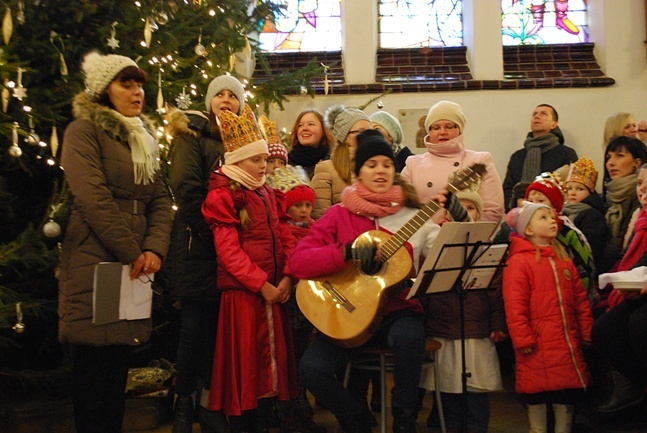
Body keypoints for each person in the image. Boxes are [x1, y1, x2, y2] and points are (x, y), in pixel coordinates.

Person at [289, 129, 463, 433]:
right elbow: (298, 261)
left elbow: (446, 257)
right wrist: (345, 252)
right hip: (347, 317)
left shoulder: (415, 216)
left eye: (386, 164)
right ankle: (356, 419)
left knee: (411, 337)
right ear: (359, 173)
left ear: (395, 171)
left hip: (397, 312)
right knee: (311, 369)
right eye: (371, 165)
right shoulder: (337, 215)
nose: (380, 170)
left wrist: (456, 220)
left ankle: (404, 415)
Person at [58, 51, 172, 433]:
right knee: (95, 362)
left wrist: (154, 249)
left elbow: (159, 199)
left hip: (136, 262)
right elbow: (92, 198)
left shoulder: (144, 138)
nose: (137, 91)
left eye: (139, 83)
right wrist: (133, 252)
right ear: (103, 90)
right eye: (127, 83)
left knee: (119, 359)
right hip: (98, 260)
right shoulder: (83, 131)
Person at [201, 105, 298, 433]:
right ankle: (244, 423)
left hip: (274, 290)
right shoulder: (224, 194)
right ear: (237, 160)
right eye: (256, 160)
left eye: (264, 160)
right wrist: (261, 284)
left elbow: (285, 238)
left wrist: (287, 274)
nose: (263, 166)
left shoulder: (269, 193)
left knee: (270, 366)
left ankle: (266, 419)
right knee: (246, 365)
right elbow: (228, 253)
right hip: (246, 295)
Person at [161, 74, 245, 433]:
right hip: (200, 247)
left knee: (222, 333)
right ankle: (184, 401)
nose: (226, 100)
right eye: (219, 95)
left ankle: (214, 403)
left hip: (233, 251)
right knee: (194, 329)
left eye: (233, 96)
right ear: (209, 101)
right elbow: (187, 189)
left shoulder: (244, 139)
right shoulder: (192, 135)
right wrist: (220, 235)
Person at [503, 202, 593, 433]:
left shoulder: (563, 258)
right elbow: (515, 305)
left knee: (565, 396)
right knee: (538, 396)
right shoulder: (519, 262)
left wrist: (586, 330)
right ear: (528, 229)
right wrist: (522, 338)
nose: (552, 221)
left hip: (565, 344)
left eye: (553, 217)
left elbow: (580, 301)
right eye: (543, 217)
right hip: (536, 345)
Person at [423, 189, 507, 433]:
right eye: (459, 208)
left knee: (476, 390)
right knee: (448, 387)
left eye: (470, 209)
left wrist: (498, 323)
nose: (464, 214)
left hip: (475, 330)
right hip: (444, 328)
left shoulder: (485, 249)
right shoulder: (436, 244)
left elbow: (495, 289)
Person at [266, 165, 324, 433]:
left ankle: (300, 402)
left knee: (302, 350)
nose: (303, 210)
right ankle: (290, 406)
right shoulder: (280, 230)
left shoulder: (315, 229)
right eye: (297, 205)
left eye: (307, 205)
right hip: (288, 300)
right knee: (287, 353)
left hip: (309, 301)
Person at [590, 163, 647, 412]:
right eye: (640, 183)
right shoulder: (641, 218)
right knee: (604, 330)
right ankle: (638, 388)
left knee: (639, 324)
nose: (643, 189)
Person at [401, 100, 504, 224]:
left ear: (459, 129)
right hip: (422, 239)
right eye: (436, 128)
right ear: (429, 132)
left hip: (465, 239)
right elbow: (402, 208)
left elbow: (493, 211)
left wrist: (474, 236)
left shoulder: (480, 161)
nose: (442, 132)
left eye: (449, 127)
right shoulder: (413, 164)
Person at [525, 173, 595, 298]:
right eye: (530, 201)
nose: (534, 206)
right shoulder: (524, 234)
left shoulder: (567, 232)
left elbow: (583, 270)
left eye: (541, 201)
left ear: (554, 207)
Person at [502, 104, 578, 211]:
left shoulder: (566, 154)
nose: (537, 116)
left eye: (544, 114)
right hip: (519, 213)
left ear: (554, 124)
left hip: (553, 214)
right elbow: (507, 189)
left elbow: (570, 189)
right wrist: (520, 203)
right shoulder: (518, 156)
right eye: (534, 114)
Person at [310, 105, 372, 219]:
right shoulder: (326, 169)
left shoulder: (378, 167)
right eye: (361, 132)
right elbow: (320, 216)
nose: (368, 137)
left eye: (370, 132)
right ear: (345, 137)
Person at [599, 136, 647, 275]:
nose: (610, 163)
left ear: (637, 163)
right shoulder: (606, 196)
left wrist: (598, 271)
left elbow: (619, 243)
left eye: (619, 156)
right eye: (608, 157)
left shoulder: (640, 199)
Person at [562, 157, 608, 287]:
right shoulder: (561, 211)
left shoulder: (592, 215)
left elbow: (591, 247)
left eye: (580, 189)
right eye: (569, 188)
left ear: (590, 192)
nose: (572, 192)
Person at [287, 108, 335, 179]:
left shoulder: (332, 162)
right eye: (300, 125)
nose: (304, 128)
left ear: (323, 130)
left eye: (311, 124)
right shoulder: (286, 162)